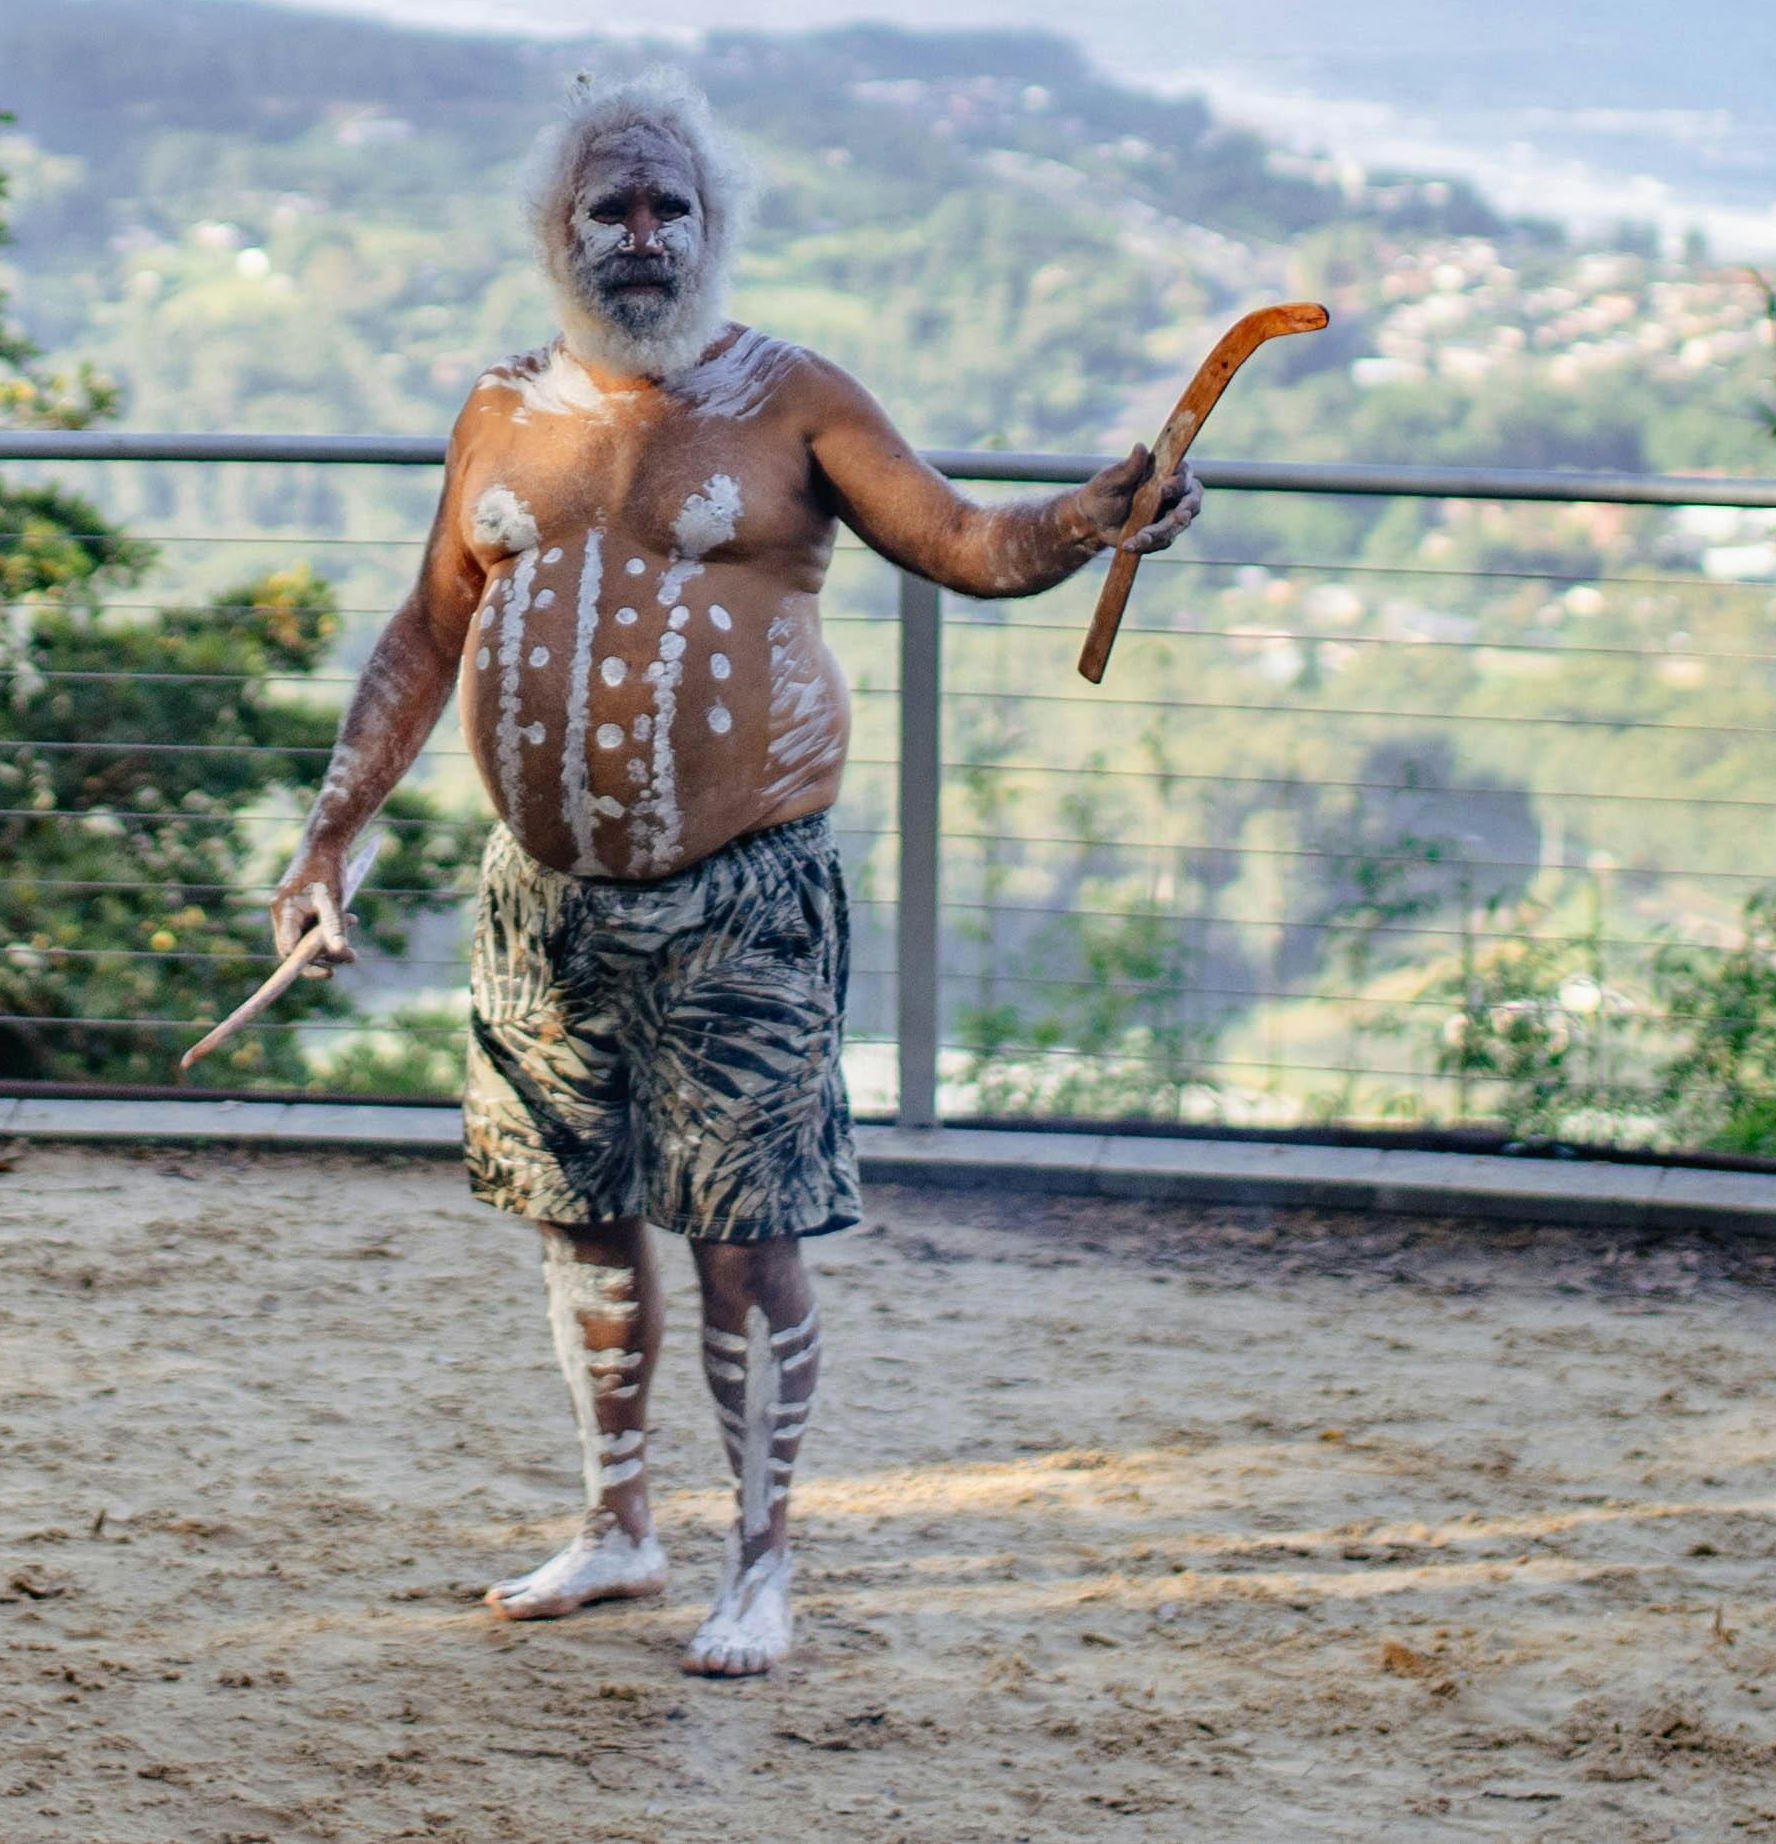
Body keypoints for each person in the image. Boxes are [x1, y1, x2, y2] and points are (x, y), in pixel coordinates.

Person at [262, 84, 1178, 1682]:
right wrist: (328, 830)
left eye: (664, 208)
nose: (637, 237)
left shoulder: (790, 397)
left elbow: (967, 541)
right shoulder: (499, 407)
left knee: (744, 1232)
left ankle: (761, 1557)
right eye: (606, 209)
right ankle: (620, 1522)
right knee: (578, 1213)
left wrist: (1096, 516)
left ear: (710, 225)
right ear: (555, 230)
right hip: (542, 900)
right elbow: (426, 626)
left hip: (738, 896)